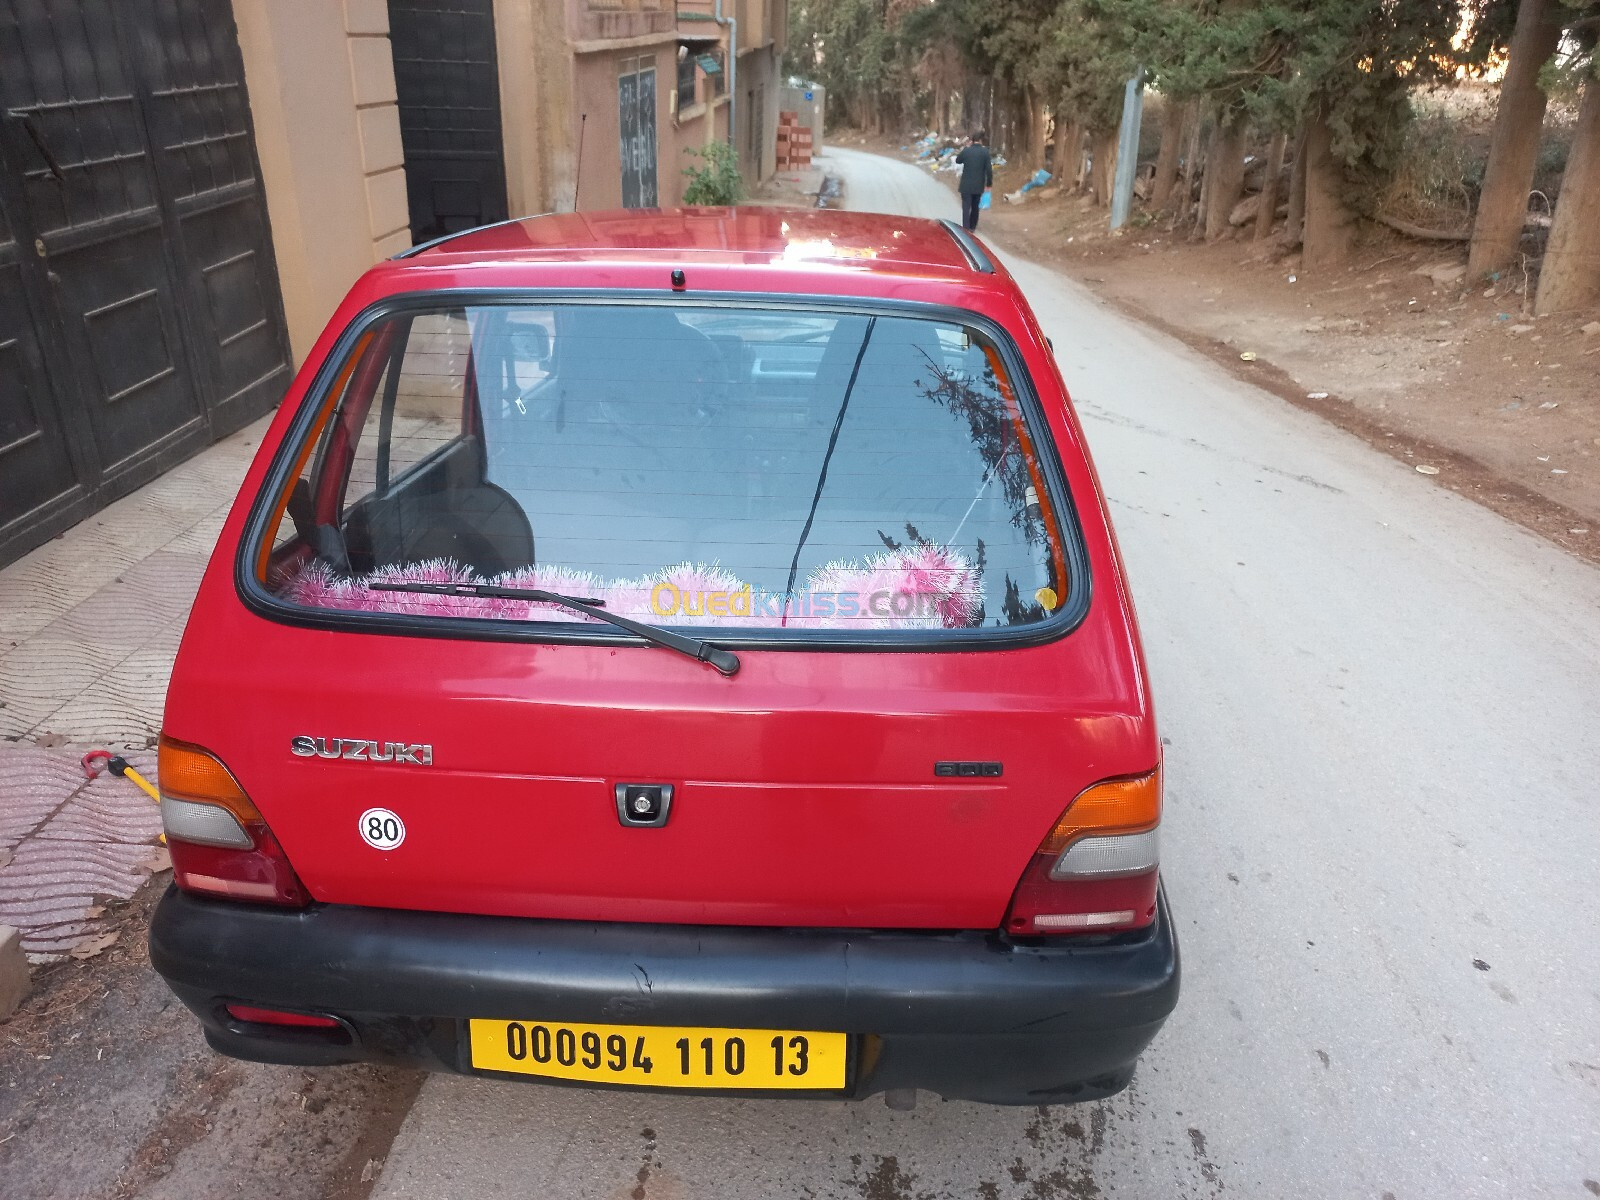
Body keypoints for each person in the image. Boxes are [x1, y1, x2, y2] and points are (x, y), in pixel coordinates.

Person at [955, 131, 993, 232]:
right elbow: (989, 170)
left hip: (966, 185)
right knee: (975, 207)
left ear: (972, 140)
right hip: (978, 185)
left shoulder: (967, 150)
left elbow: (958, 160)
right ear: (981, 140)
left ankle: (966, 229)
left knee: (966, 207)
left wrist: (966, 148)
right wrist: (989, 183)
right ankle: (972, 228)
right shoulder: (985, 152)